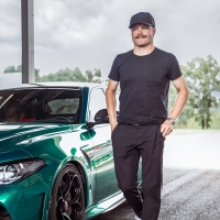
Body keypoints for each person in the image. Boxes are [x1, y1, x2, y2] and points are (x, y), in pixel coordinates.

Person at [106, 12, 189, 220]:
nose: (139, 32)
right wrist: (113, 123)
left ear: (153, 30)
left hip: (153, 130)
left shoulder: (167, 59)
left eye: (144, 28)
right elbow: (110, 90)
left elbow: (183, 90)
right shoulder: (120, 60)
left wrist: (171, 119)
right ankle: (143, 214)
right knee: (125, 185)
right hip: (123, 129)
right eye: (135, 29)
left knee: (151, 185)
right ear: (131, 33)